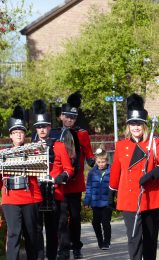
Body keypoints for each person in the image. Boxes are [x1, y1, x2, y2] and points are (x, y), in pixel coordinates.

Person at [109, 93, 159, 260]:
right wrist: (111, 191)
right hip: (129, 199)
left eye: (138, 124)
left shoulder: (154, 142)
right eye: (132, 124)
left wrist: (154, 173)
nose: (135, 127)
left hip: (150, 197)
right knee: (134, 239)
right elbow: (116, 170)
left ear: (144, 125)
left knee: (150, 240)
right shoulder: (121, 146)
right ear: (128, 126)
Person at [0, 105, 42, 260]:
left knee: (31, 234)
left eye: (21, 132)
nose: (19, 135)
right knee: (13, 234)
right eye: (15, 132)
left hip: (30, 197)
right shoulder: (2, 154)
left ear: (24, 135)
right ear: (11, 136)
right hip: (10, 199)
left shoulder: (34, 151)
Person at [31, 100, 74, 260]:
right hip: (37, 194)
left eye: (45, 126)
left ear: (50, 127)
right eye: (39, 127)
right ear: (36, 129)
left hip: (55, 192)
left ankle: (52, 256)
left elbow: (69, 169)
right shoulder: (31, 147)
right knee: (37, 229)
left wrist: (60, 177)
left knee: (52, 229)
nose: (42, 130)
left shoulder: (59, 145)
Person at [57, 91, 95, 260]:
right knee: (62, 218)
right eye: (67, 116)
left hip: (76, 181)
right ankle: (64, 248)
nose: (70, 120)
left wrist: (92, 159)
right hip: (60, 182)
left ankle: (76, 246)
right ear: (61, 116)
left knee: (76, 216)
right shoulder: (55, 133)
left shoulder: (82, 133)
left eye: (73, 117)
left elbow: (88, 151)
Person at [84, 146, 112, 250]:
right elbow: (89, 187)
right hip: (95, 202)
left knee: (105, 222)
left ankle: (106, 242)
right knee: (95, 223)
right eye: (99, 162)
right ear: (96, 161)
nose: (101, 164)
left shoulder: (112, 171)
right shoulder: (92, 173)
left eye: (103, 162)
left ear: (107, 160)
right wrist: (87, 201)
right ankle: (100, 241)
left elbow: (115, 186)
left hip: (107, 203)